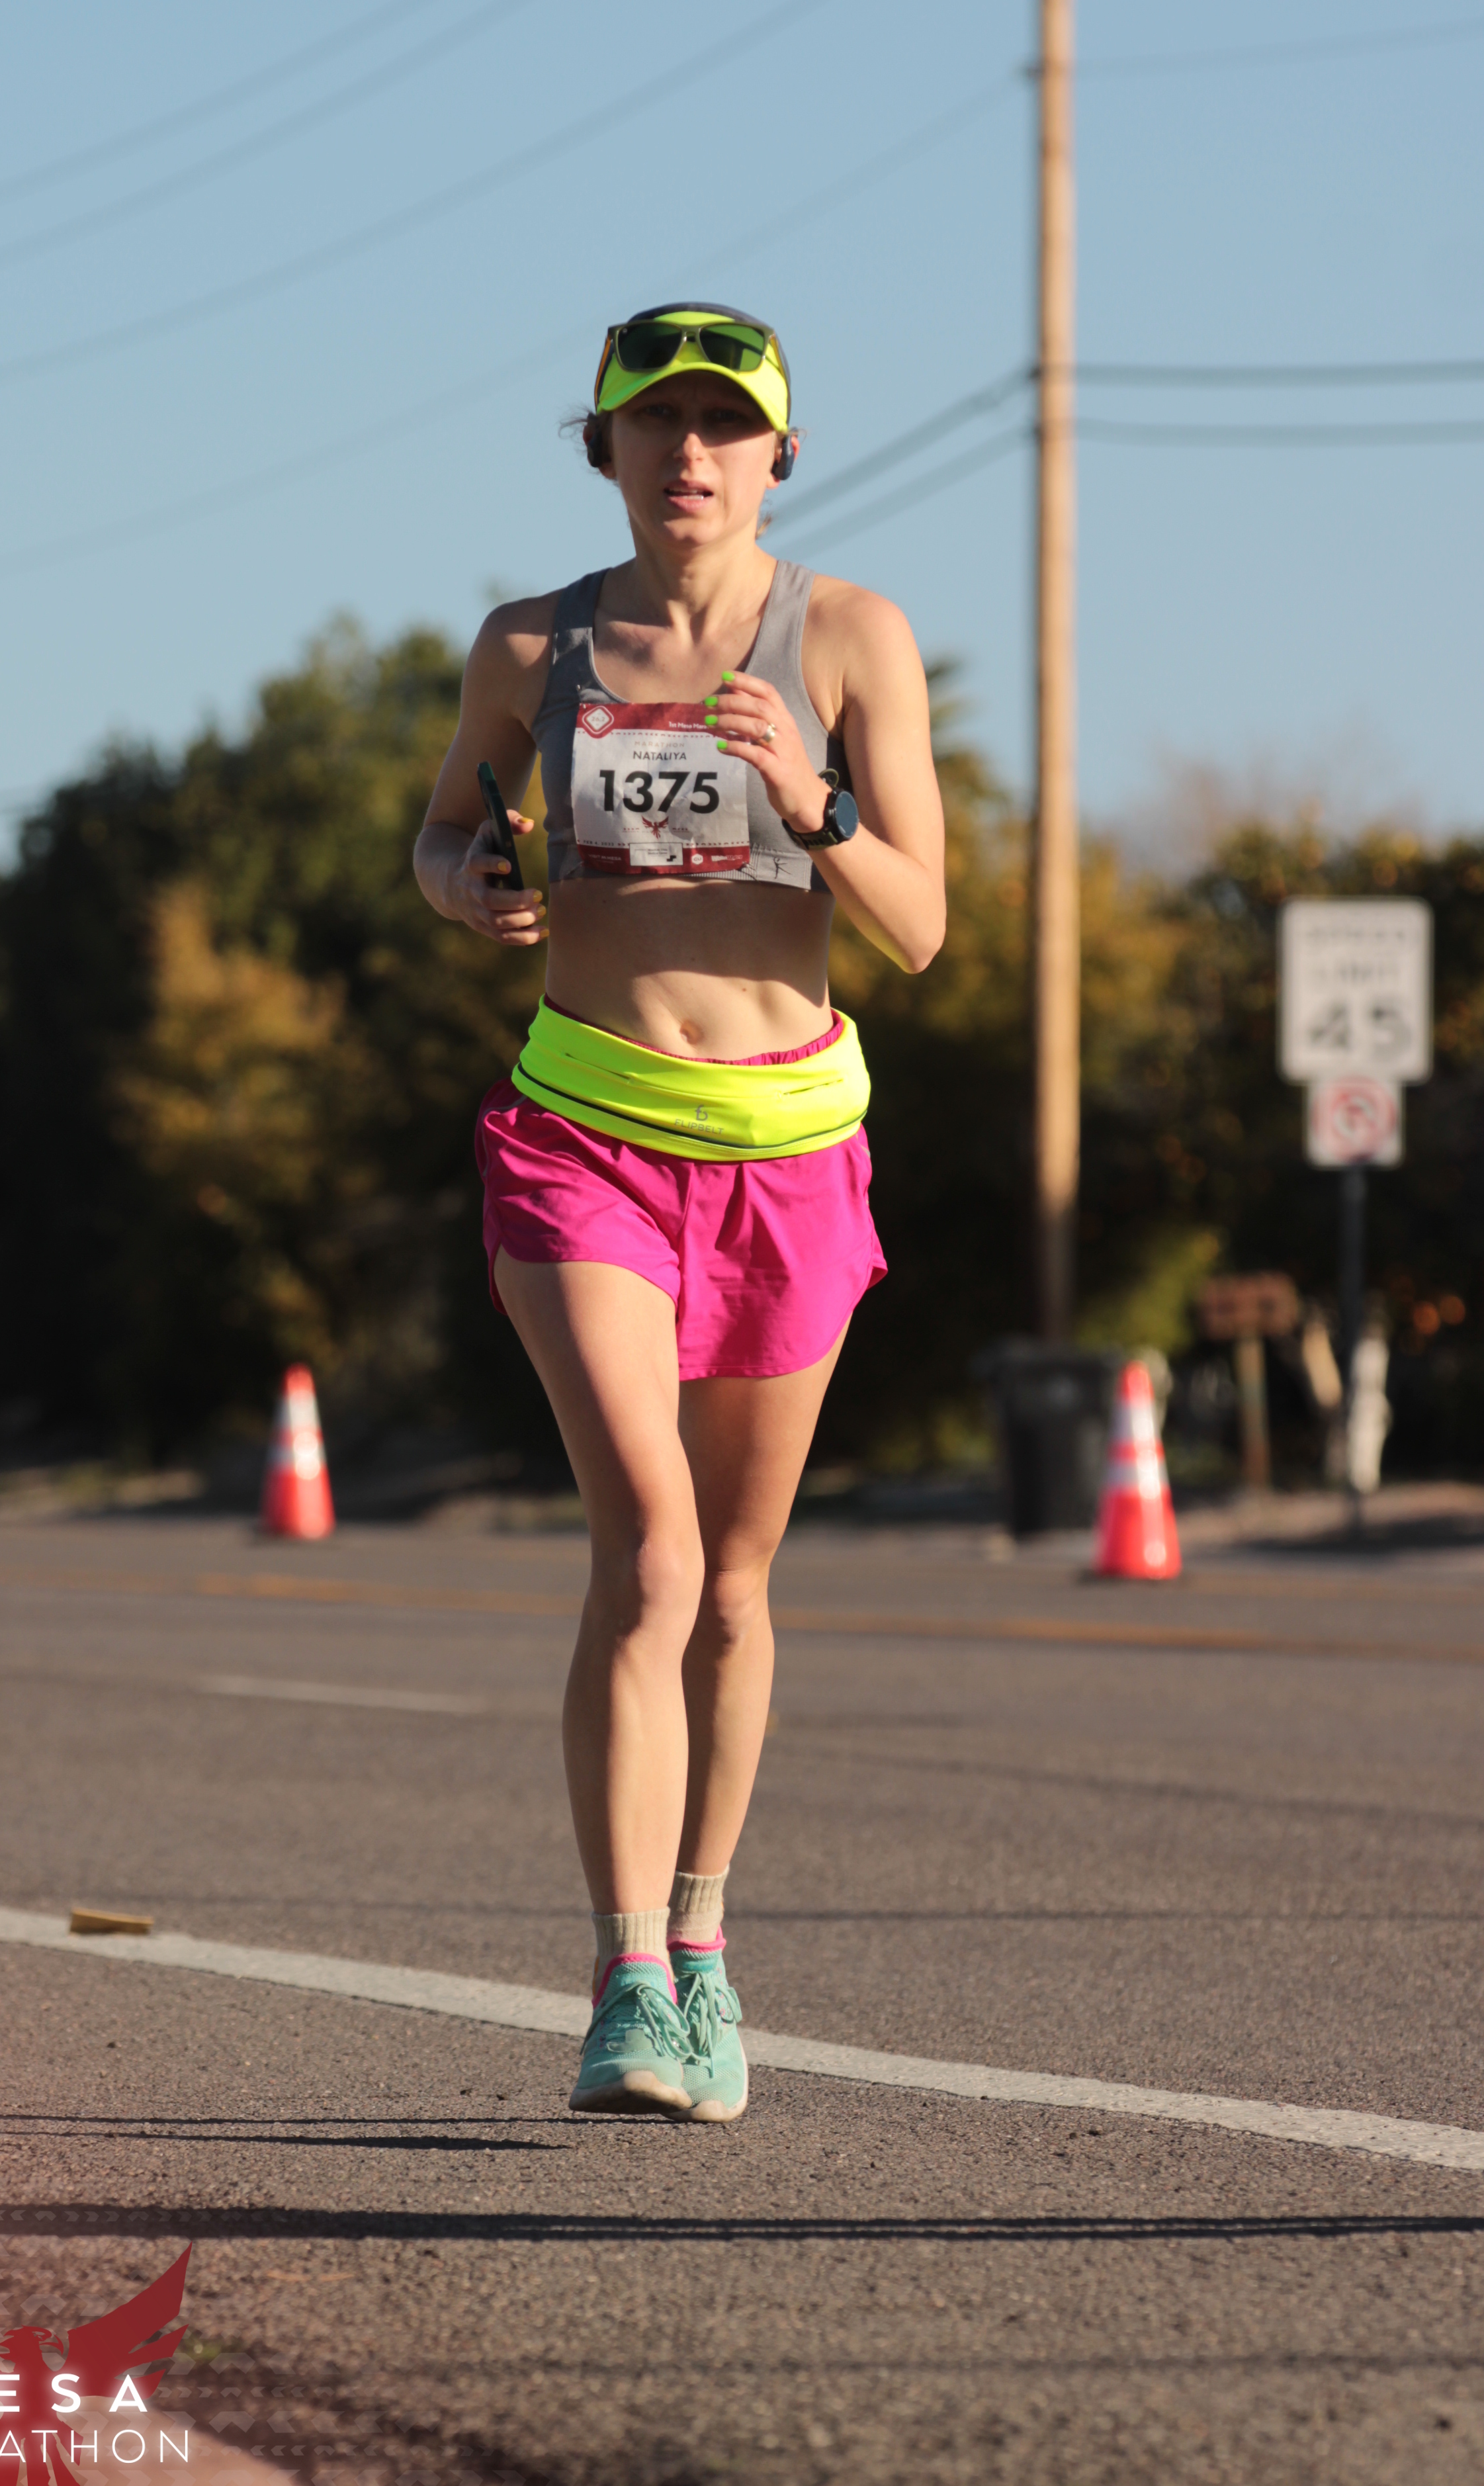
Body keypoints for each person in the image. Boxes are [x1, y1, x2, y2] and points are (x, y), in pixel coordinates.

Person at [415, 302, 944, 2123]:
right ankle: (627, 1978)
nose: (691, 455)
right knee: (646, 1550)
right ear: (610, 449)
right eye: (658, 424)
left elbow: (920, 925)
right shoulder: (532, 645)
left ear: (778, 456)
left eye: (726, 427)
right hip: (587, 1135)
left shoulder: (852, 637)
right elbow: (446, 829)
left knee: (730, 1580)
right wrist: (469, 887)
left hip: (790, 1150)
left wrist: (814, 797)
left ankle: (704, 1942)